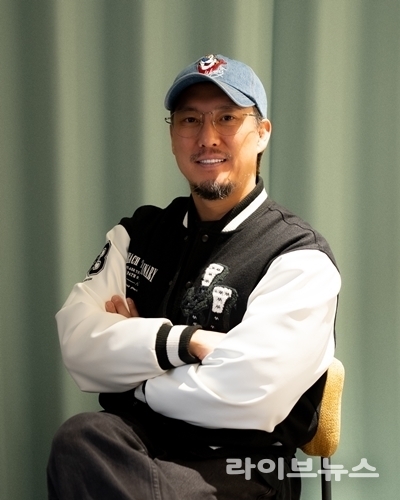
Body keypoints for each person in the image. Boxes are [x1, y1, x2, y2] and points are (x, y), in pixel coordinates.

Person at [47, 54, 341, 500]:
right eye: (190, 120)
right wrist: (188, 344)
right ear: (172, 136)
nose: (207, 138)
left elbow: (253, 395)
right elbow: (78, 344)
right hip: (138, 444)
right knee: (80, 439)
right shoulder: (139, 235)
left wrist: (134, 368)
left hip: (242, 464)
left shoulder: (297, 255)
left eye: (227, 118)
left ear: (262, 133)